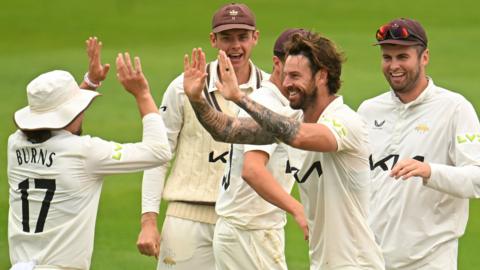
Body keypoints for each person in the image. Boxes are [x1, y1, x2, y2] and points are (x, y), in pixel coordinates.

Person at [183, 31, 385, 269]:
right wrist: (196, 99)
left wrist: (239, 98)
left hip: (357, 263)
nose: (287, 83)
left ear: (322, 76)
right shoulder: (293, 117)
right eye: (285, 75)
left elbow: (297, 136)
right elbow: (225, 130)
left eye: (296, 76)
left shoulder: (346, 122)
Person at [7, 37, 171, 270]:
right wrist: (142, 94)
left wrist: (90, 82)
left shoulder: (15, 144)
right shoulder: (85, 153)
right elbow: (159, 151)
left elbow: (55, 120)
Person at [136, 3, 268, 269]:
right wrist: (148, 221)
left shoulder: (269, 91)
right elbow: (158, 154)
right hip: (187, 218)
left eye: (242, 37)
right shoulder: (182, 87)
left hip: (248, 221)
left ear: (255, 37)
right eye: (226, 38)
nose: (235, 46)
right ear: (213, 40)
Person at [357, 18, 480, 270]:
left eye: (403, 57)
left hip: (430, 261)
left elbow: (477, 180)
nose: (394, 66)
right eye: (387, 57)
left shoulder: (455, 109)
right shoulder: (369, 110)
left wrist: (430, 171)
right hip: (371, 260)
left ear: (424, 57)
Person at [205, 29, 308, 270]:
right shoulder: (267, 103)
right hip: (248, 232)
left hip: (251, 230)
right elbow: (252, 170)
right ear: (277, 63)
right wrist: (298, 209)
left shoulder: (284, 103)